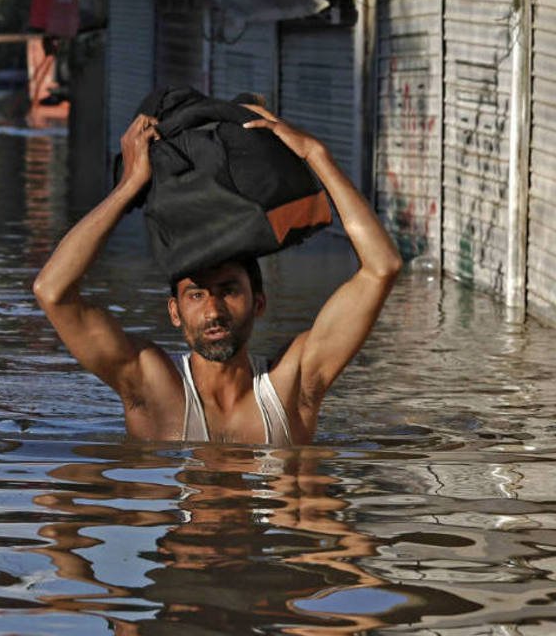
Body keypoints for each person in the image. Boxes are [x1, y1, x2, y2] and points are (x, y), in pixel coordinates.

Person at [33, 105, 402, 445]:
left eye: (228, 290)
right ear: (174, 312)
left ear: (259, 302)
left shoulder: (291, 386)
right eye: (196, 295)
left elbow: (382, 267)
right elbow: (52, 291)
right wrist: (128, 187)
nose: (213, 310)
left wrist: (316, 155)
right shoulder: (153, 389)